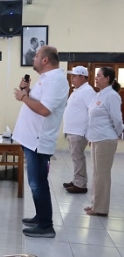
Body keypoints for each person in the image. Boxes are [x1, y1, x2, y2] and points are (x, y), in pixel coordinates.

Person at [13, 46, 69, 238]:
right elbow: (37, 102)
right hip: (31, 138)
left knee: (38, 184)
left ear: (45, 60)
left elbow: (45, 110)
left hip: (38, 140)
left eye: (36, 56)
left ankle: (46, 226)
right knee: (35, 182)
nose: (33, 59)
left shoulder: (56, 80)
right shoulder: (46, 79)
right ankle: (40, 216)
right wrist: (27, 91)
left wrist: (23, 97)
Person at [84, 67, 123, 216]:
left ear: (107, 78)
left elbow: (117, 119)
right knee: (96, 174)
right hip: (96, 138)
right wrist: (90, 136)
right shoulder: (99, 94)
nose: (96, 78)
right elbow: (92, 118)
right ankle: (95, 203)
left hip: (106, 139)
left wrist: (118, 133)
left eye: (99, 76)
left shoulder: (111, 96)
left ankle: (101, 208)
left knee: (102, 175)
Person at [62, 66, 96, 194]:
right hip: (73, 131)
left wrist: (89, 132)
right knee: (75, 157)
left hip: (79, 131)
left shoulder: (88, 91)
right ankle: (77, 179)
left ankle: (80, 184)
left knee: (78, 157)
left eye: (74, 76)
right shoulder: (78, 90)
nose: (72, 78)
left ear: (82, 77)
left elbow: (92, 112)